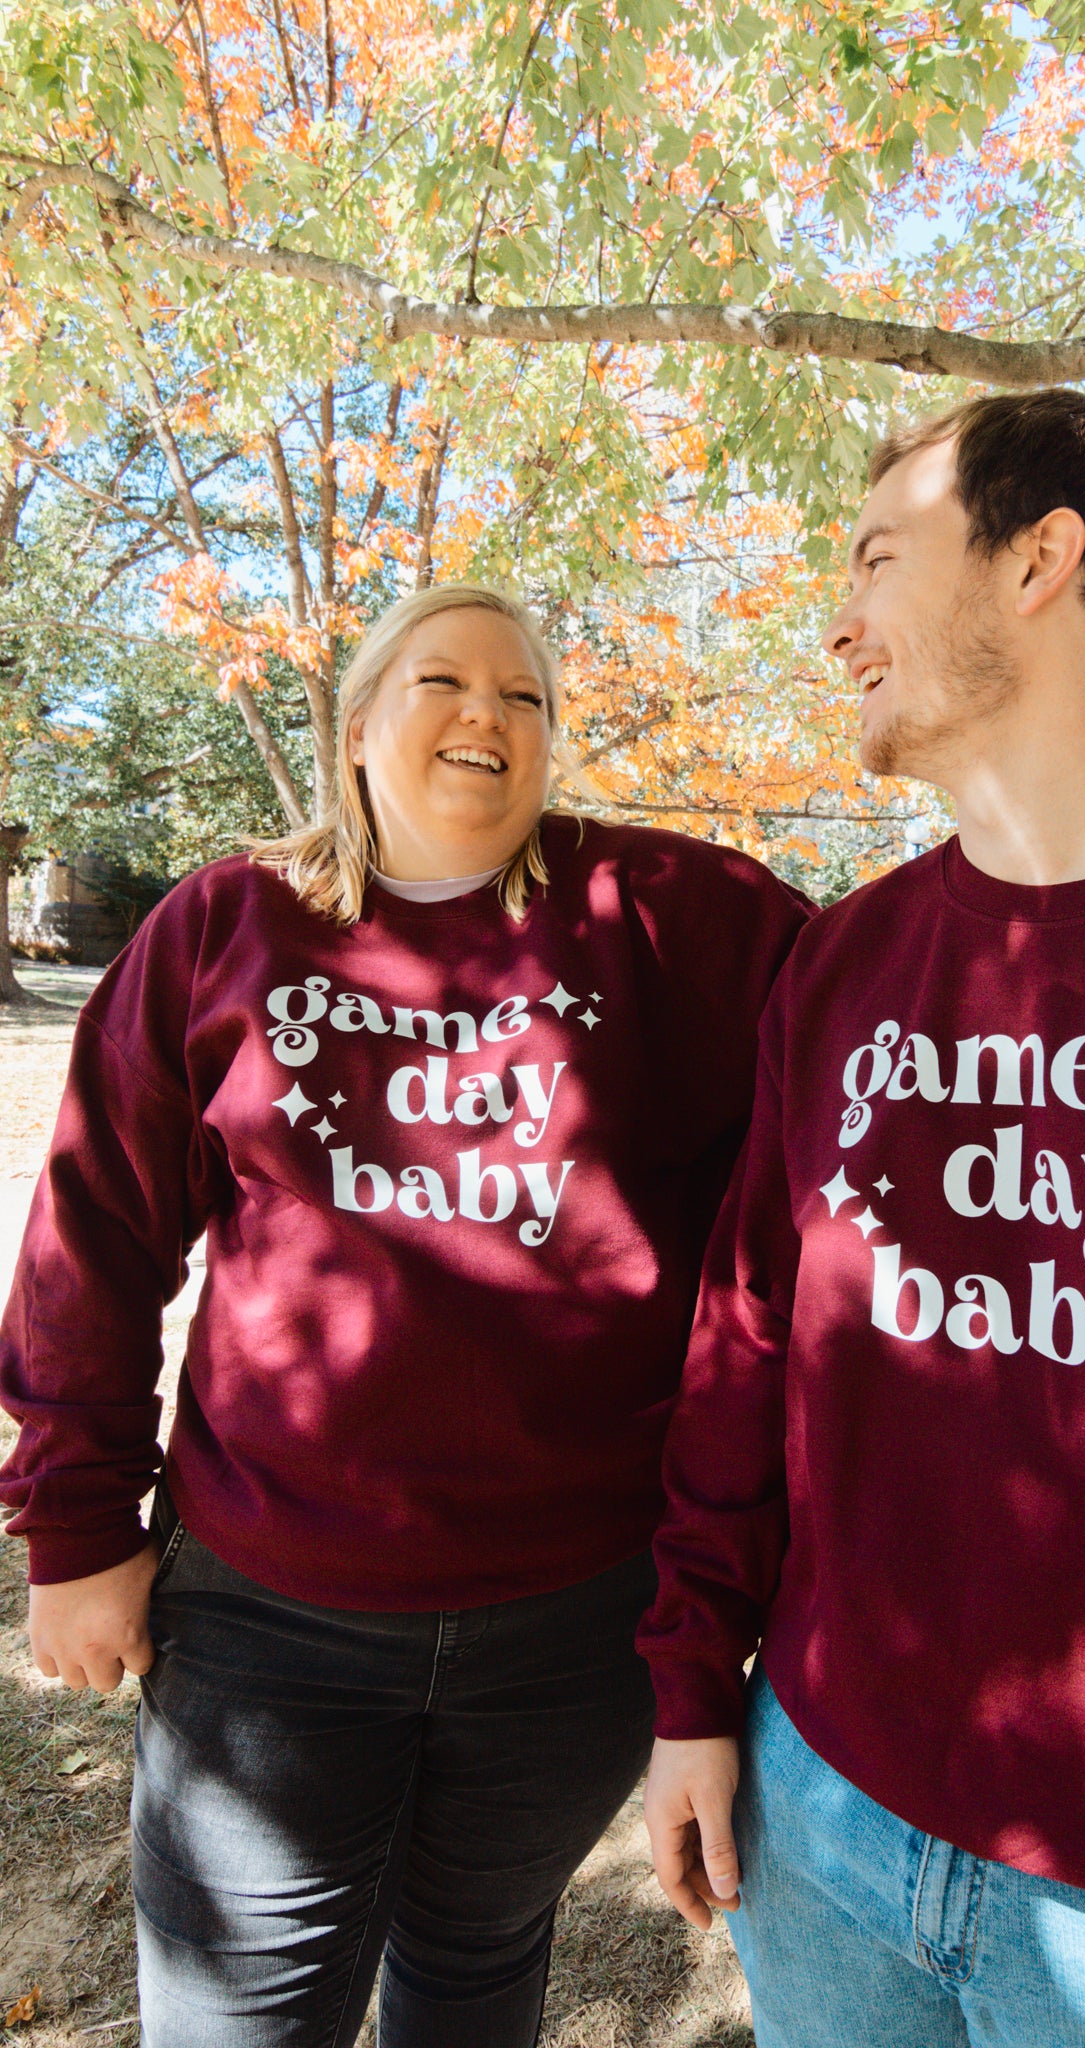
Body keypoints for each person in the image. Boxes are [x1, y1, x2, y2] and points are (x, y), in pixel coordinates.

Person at [637, 392, 1085, 2048]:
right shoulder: (840, 961)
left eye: (877, 559)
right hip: (813, 1803)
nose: (836, 624)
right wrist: (695, 1688)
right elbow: (748, 1338)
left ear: (1040, 559)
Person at [0, 581, 809, 2048]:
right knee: (242, 2016)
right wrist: (78, 1530)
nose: (489, 715)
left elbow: (900, 986)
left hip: (573, 1619)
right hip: (268, 1611)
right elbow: (93, 1237)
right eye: (442, 680)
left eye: (528, 698)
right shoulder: (227, 925)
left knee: (478, 1966)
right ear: (359, 724)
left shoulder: (663, 921)